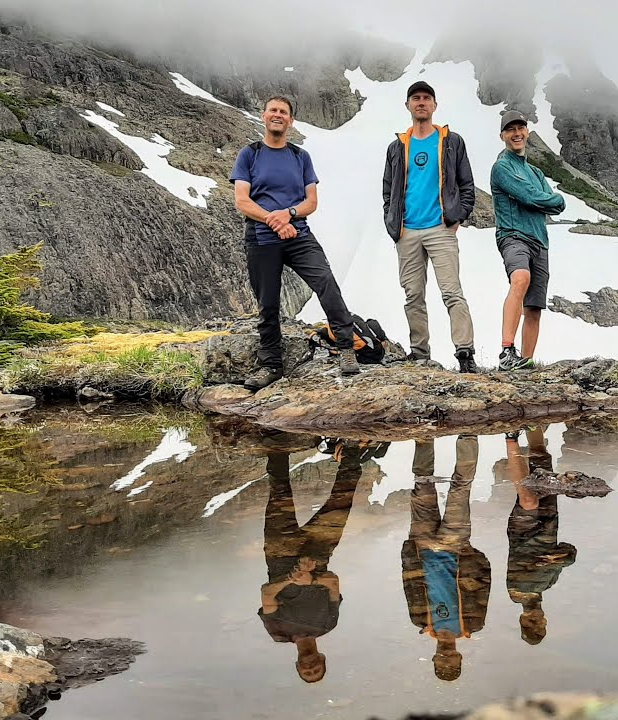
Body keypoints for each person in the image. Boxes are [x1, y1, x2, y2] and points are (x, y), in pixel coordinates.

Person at [232, 96, 360, 390]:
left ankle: (346, 349)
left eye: (284, 112)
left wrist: (288, 215)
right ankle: (270, 365)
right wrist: (274, 221)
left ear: (290, 121)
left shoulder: (301, 157)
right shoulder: (249, 155)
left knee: (326, 282)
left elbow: (311, 202)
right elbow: (242, 200)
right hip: (262, 238)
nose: (278, 115)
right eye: (273, 111)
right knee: (268, 303)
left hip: (298, 234)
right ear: (263, 116)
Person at [382, 81, 479, 371]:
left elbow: (467, 185)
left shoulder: (452, 141)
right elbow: (388, 189)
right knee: (413, 294)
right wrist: (392, 221)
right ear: (408, 105)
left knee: (451, 292)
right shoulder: (397, 146)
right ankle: (420, 353)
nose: (421, 102)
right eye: (415, 98)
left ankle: (465, 352)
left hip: (441, 228)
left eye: (426, 98)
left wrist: (458, 217)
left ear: (434, 105)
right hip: (407, 231)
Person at [257, 442, 370, 683]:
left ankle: (278, 439)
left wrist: (292, 577)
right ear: (323, 660)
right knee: (343, 497)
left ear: (298, 665)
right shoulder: (328, 623)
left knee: (279, 491)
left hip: (280, 553)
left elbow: (267, 594)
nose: (311, 666)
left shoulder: (279, 633)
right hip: (319, 553)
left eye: (306, 671)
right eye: (316, 669)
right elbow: (334, 584)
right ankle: (350, 447)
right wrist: (312, 579)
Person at [401, 435, 490, 681]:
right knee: (461, 488)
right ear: (460, 657)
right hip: (456, 546)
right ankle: (468, 434)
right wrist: (471, 554)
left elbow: (408, 583)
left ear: (434, 658)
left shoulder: (420, 621)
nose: (446, 655)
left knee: (422, 484)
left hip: (422, 544)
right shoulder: (472, 624)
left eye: (442, 660)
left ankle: (424, 436)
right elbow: (484, 584)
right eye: (451, 659)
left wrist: (410, 549)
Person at [491, 110, 566, 371]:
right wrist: (543, 199)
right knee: (520, 279)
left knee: (534, 306)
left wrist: (545, 198)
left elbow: (556, 202)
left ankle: (525, 361)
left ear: (527, 133)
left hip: (539, 241)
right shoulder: (501, 167)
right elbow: (534, 198)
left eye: (520, 128)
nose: (516, 133)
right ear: (502, 135)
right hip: (513, 235)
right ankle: (506, 351)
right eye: (510, 129)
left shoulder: (535, 171)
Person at [500, 428, 577, 645]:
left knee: (528, 500)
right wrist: (556, 560)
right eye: (540, 623)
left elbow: (536, 564)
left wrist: (553, 561)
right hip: (549, 525)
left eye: (530, 623)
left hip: (523, 533)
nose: (536, 619)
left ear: (522, 620)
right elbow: (568, 551)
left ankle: (510, 437)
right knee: (541, 460)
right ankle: (534, 424)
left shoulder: (516, 594)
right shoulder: (549, 585)